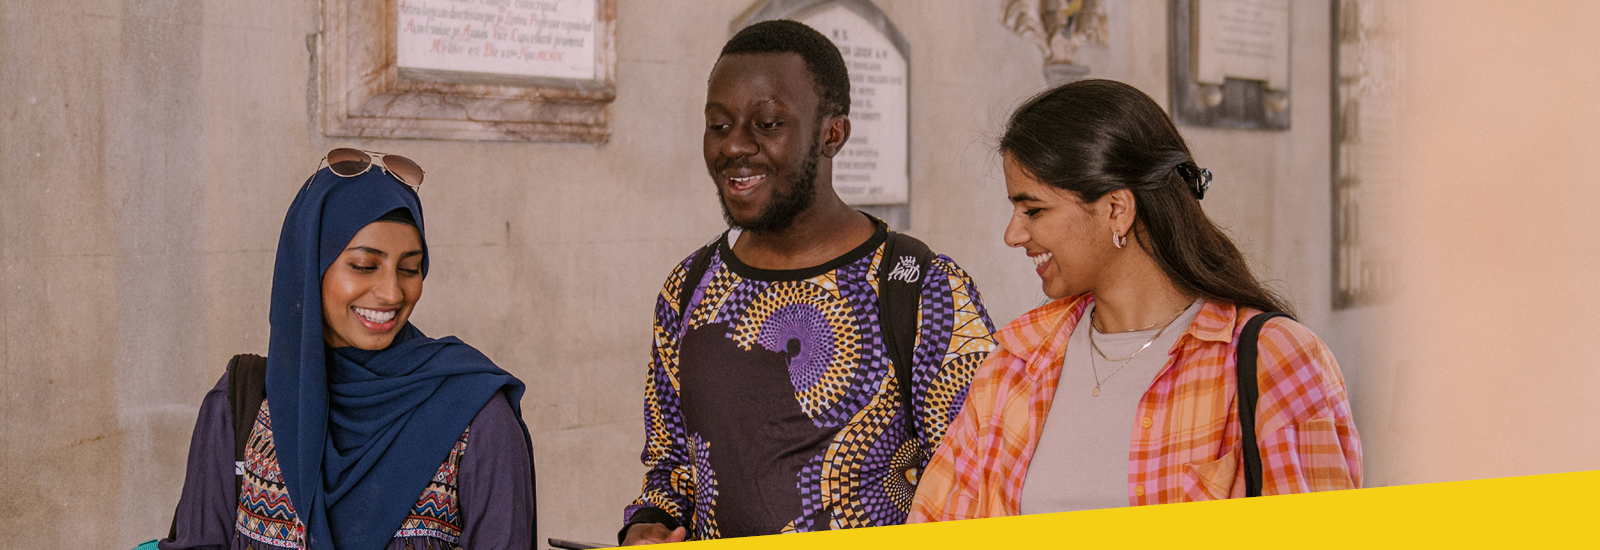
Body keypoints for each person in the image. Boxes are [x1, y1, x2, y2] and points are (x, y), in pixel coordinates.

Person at [910, 79, 1361, 521]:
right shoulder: (1015, 362)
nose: (1014, 235)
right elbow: (936, 523)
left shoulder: (1275, 362)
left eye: (1034, 210)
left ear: (1116, 209)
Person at [619, 20, 997, 544]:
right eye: (719, 125)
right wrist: (649, 524)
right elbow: (670, 468)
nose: (734, 147)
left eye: (768, 124)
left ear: (832, 134)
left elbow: (976, 487)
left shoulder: (920, 288)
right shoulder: (689, 287)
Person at [159, 150, 536, 550]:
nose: (392, 293)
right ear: (309, 268)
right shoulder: (242, 406)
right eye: (363, 265)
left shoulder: (474, 415)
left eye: (409, 269)